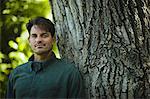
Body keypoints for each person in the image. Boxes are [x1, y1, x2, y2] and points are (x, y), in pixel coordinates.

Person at [6, 17, 85, 98]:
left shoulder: (69, 73)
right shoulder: (16, 74)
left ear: (53, 40)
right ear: (29, 40)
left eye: (44, 35)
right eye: (34, 36)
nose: (38, 40)